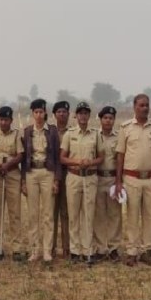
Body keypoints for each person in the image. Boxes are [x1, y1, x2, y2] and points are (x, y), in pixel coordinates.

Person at [115, 94, 151, 267]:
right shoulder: (126, 127)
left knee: (150, 216)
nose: (145, 108)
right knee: (132, 216)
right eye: (141, 105)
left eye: (147, 105)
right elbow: (120, 155)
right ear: (134, 107)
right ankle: (131, 252)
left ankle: (146, 251)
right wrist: (118, 181)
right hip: (131, 179)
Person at [61, 101, 103, 265]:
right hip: (74, 177)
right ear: (76, 116)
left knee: (88, 214)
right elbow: (62, 158)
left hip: (90, 177)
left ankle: (88, 251)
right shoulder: (69, 134)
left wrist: (90, 162)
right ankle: (75, 250)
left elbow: (101, 157)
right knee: (73, 215)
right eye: (80, 113)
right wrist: (77, 161)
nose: (83, 116)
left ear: (89, 115)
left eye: (86, 113)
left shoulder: (96, 134)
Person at [22, 99, 61, 267]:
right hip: (32, 174)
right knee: (32, 214)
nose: (39, 115)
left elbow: (58, 158)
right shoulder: (27, 131)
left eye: (41, 112)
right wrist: (23, 180)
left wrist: (57, 179)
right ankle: (34, 250)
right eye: (36, 112)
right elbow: (24, 158)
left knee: (48, 214)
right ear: (32, 113)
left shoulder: (52, 131)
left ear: (45, 113)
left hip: (48, 173)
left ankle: (47, 250)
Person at [0, 106, 24, 261]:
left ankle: (16, 249)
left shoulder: (16, 134)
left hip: (12, 175)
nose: (3, 122)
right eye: (1, 119)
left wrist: (7, 166)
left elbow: (20, 154)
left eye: (6, 120)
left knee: (14, 213)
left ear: (11, 120)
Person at [93, 106, 122, 262]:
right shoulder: (94, 136)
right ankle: (100, 247)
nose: (108, 120)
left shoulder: (119, 137)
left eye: (111, 118)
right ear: (100, 119)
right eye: (105, 118)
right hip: (97, 178)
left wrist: (119, 181)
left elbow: (119, 160)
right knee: (99, 215)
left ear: (114, 120)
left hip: (112, 179)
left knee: (114, 214)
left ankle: (113, 248)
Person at [51, 101, 72, 259]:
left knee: (66, 212)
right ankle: (50, 247)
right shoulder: (49, 132)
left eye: (65, 111)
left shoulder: (73, 132)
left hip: (68, 175)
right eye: (59, 111)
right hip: (51, 175)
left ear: (69, 114)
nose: (62, 114)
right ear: (54, 114)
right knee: (51, 212)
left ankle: (67, 248)